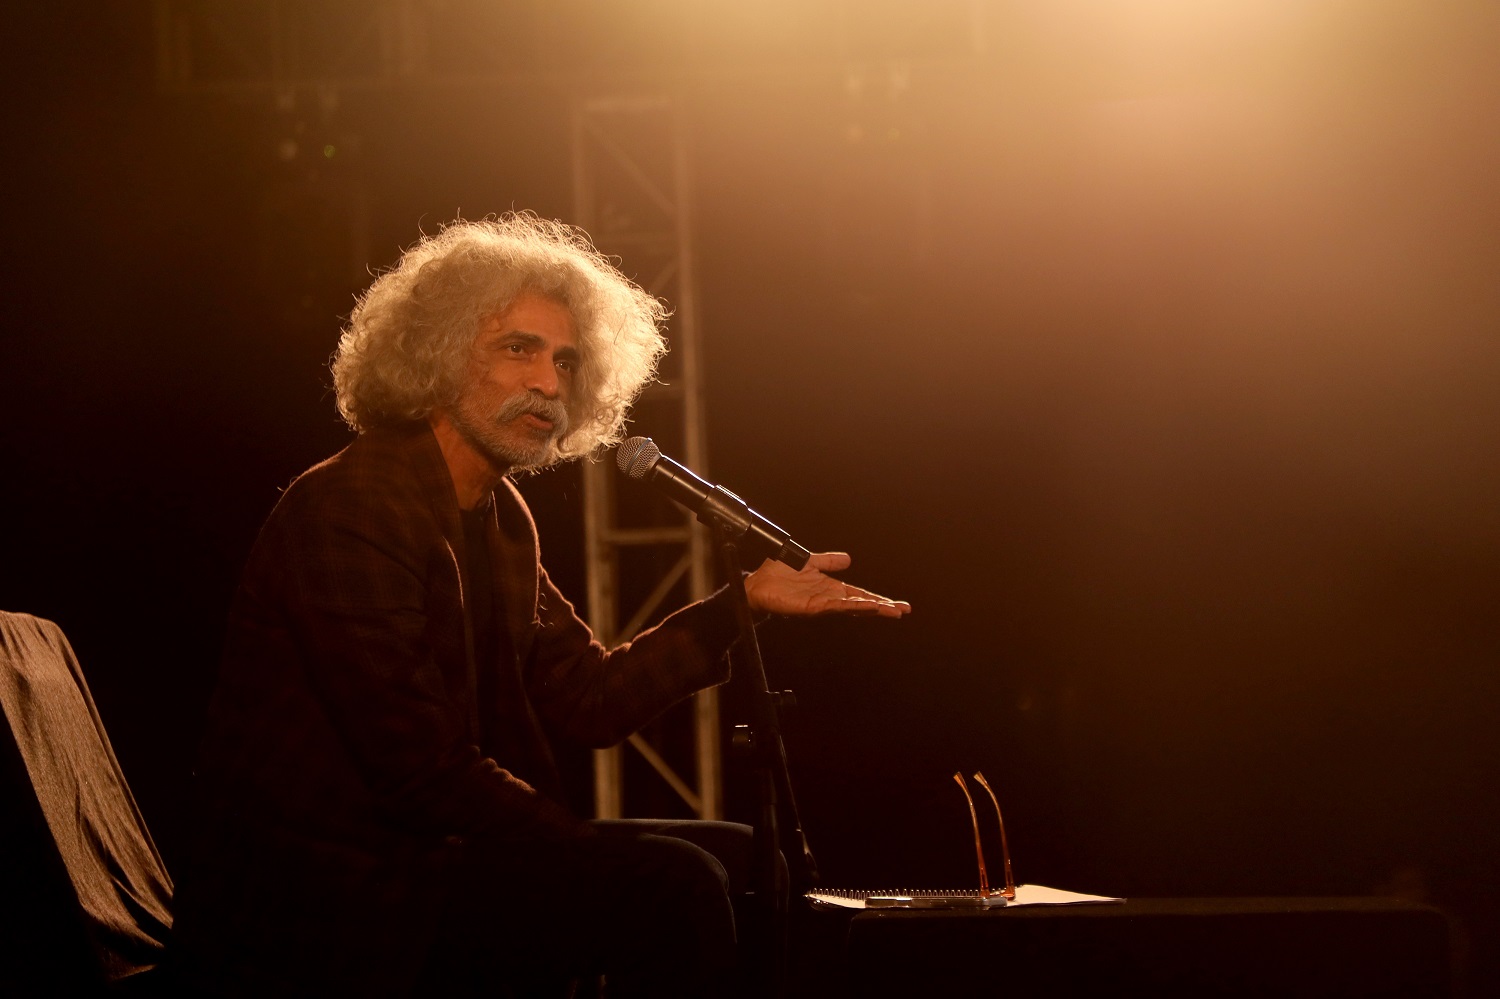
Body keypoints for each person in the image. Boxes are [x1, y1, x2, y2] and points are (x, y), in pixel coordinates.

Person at [172, 214, 909, 997]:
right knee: (676, 884)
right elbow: (420, 771)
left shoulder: (501, 517)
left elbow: (586, 697)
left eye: (566, 360)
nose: (551, 385)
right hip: (333, 898)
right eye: (519, 348)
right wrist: (576, 848)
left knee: (744, 857)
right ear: (437, 353)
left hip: (431, 861)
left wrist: (742, 604)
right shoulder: (351, 506)